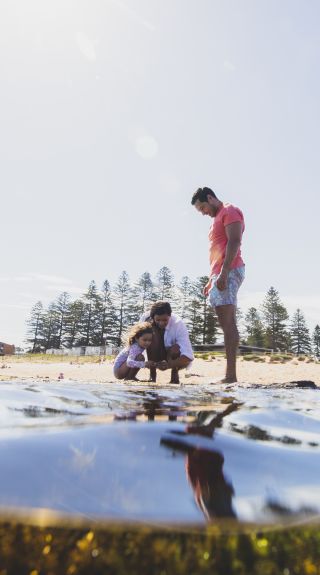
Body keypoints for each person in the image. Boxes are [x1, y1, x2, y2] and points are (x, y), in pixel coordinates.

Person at [191, 186, 245, 383]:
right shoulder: (217, 217)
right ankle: (230, 375)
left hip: (229, 270)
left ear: (210, 198)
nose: (203, 213)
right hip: (220, 273)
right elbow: (217, 251)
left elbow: (235, 241)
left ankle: (230, 376)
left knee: (228, 322)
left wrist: (224, 273)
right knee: (225, 322)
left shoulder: (229, 211)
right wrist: (211, 278)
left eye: (203, 208)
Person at [141, 301, 194, 384]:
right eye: (158, 320)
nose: (161, 323)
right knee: (148, 337)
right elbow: (138, 342)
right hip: (154, 357)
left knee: (176, 348)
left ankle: (174, 375)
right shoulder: (145, 319)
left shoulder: (178, 323)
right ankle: (152, 375)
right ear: (152, 317)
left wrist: (170, 364)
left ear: (170, 316)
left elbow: (188, 356)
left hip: (171, 357)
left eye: (165, 320)